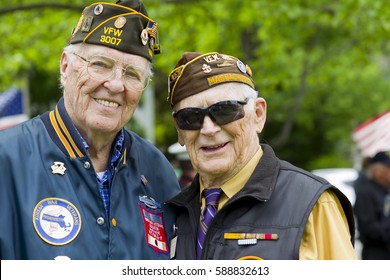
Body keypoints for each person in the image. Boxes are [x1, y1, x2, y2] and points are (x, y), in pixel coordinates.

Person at [0, 0, 181, 260]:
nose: (116, 84)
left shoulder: (157, 171)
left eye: (132, 74)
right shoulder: (7, 158)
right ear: (65, 66)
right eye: (100, 65)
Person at [166, 51, 356, 260]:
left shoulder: (313, 204)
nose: (208, 129)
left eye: (224, 111)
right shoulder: (171, 212)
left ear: (258, 114)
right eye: (190, 117)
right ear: (179, 131)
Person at [354, 150, 390, 259]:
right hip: (376, 253)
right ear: (378, 171)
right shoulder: (365, 192)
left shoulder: (386, 189)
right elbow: (369, 229)